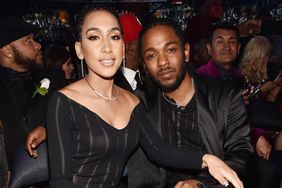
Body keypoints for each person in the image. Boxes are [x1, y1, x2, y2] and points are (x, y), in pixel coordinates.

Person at [47, 7, 243, 188]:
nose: (107, 47)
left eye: (114, 37)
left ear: (123, 48)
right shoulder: (64, 101)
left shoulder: (132, 101)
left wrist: (207, 159)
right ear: (80, 50)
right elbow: (60, 181)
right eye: (94, 37)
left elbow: (159, 150)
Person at [126, 18, 252, 188]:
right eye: (151, 55)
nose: (162, 62)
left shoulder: (224, 96)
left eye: (170, 50)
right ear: (144, 65)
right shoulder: (140, 102)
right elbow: (142, 169)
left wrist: (201, 185)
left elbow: (241, 156)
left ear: (185, 51)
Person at [197, 24, 280, 188]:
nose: (227, 47)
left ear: (238, 47)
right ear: (209, 48)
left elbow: (244, 115)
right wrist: (256, 136)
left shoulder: (238, 76)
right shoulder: (201, 78)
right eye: (220, 41)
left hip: (237, 146)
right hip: (210, 151)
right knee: (268, 172)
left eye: (232, 42)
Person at [0, 17, 49, 184]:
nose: (38, 45)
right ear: (7, 51)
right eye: (28, 41)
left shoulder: (52, 78)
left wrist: (48, 128)